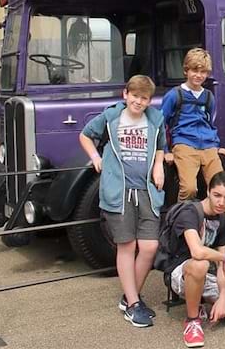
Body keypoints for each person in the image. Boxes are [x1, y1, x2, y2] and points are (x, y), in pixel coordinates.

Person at [79, 75, 165, 327]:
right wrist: (95, 157)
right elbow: (85, 135)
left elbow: (161, 145)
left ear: (149, 101)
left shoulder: (155, 119)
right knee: (127, 245)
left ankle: (130, 298)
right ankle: (133, 303)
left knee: (149, 246)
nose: (139, 101)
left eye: (144, 98)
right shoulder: (110, 117)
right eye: (135, 96)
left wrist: (159, 166)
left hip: (147, 191)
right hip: (119, 191)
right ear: (125, 94)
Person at [167, 172, 225, 348]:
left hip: (209, 276)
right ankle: (192, 320)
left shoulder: (222, 217)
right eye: (217, 195)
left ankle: (204, 301)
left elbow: (221, 266)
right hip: (182, 273)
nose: (221, 202)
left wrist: (223, 296)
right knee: (200, 264)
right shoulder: (190, 212)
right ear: (208, 191)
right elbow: (197, 252)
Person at [161, 48, 225, 201]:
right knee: (189, 189)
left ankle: (224, 225)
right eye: (195, 70)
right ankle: (182, 221)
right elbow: (160, 124)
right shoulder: (175, 95)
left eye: (203, 72)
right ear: (186, 70)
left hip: (208, 146)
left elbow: (209, 123)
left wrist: (216, 146)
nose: (199, 75)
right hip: (184, 144)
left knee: (221, 189)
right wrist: (165, 150)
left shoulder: (208, 96)